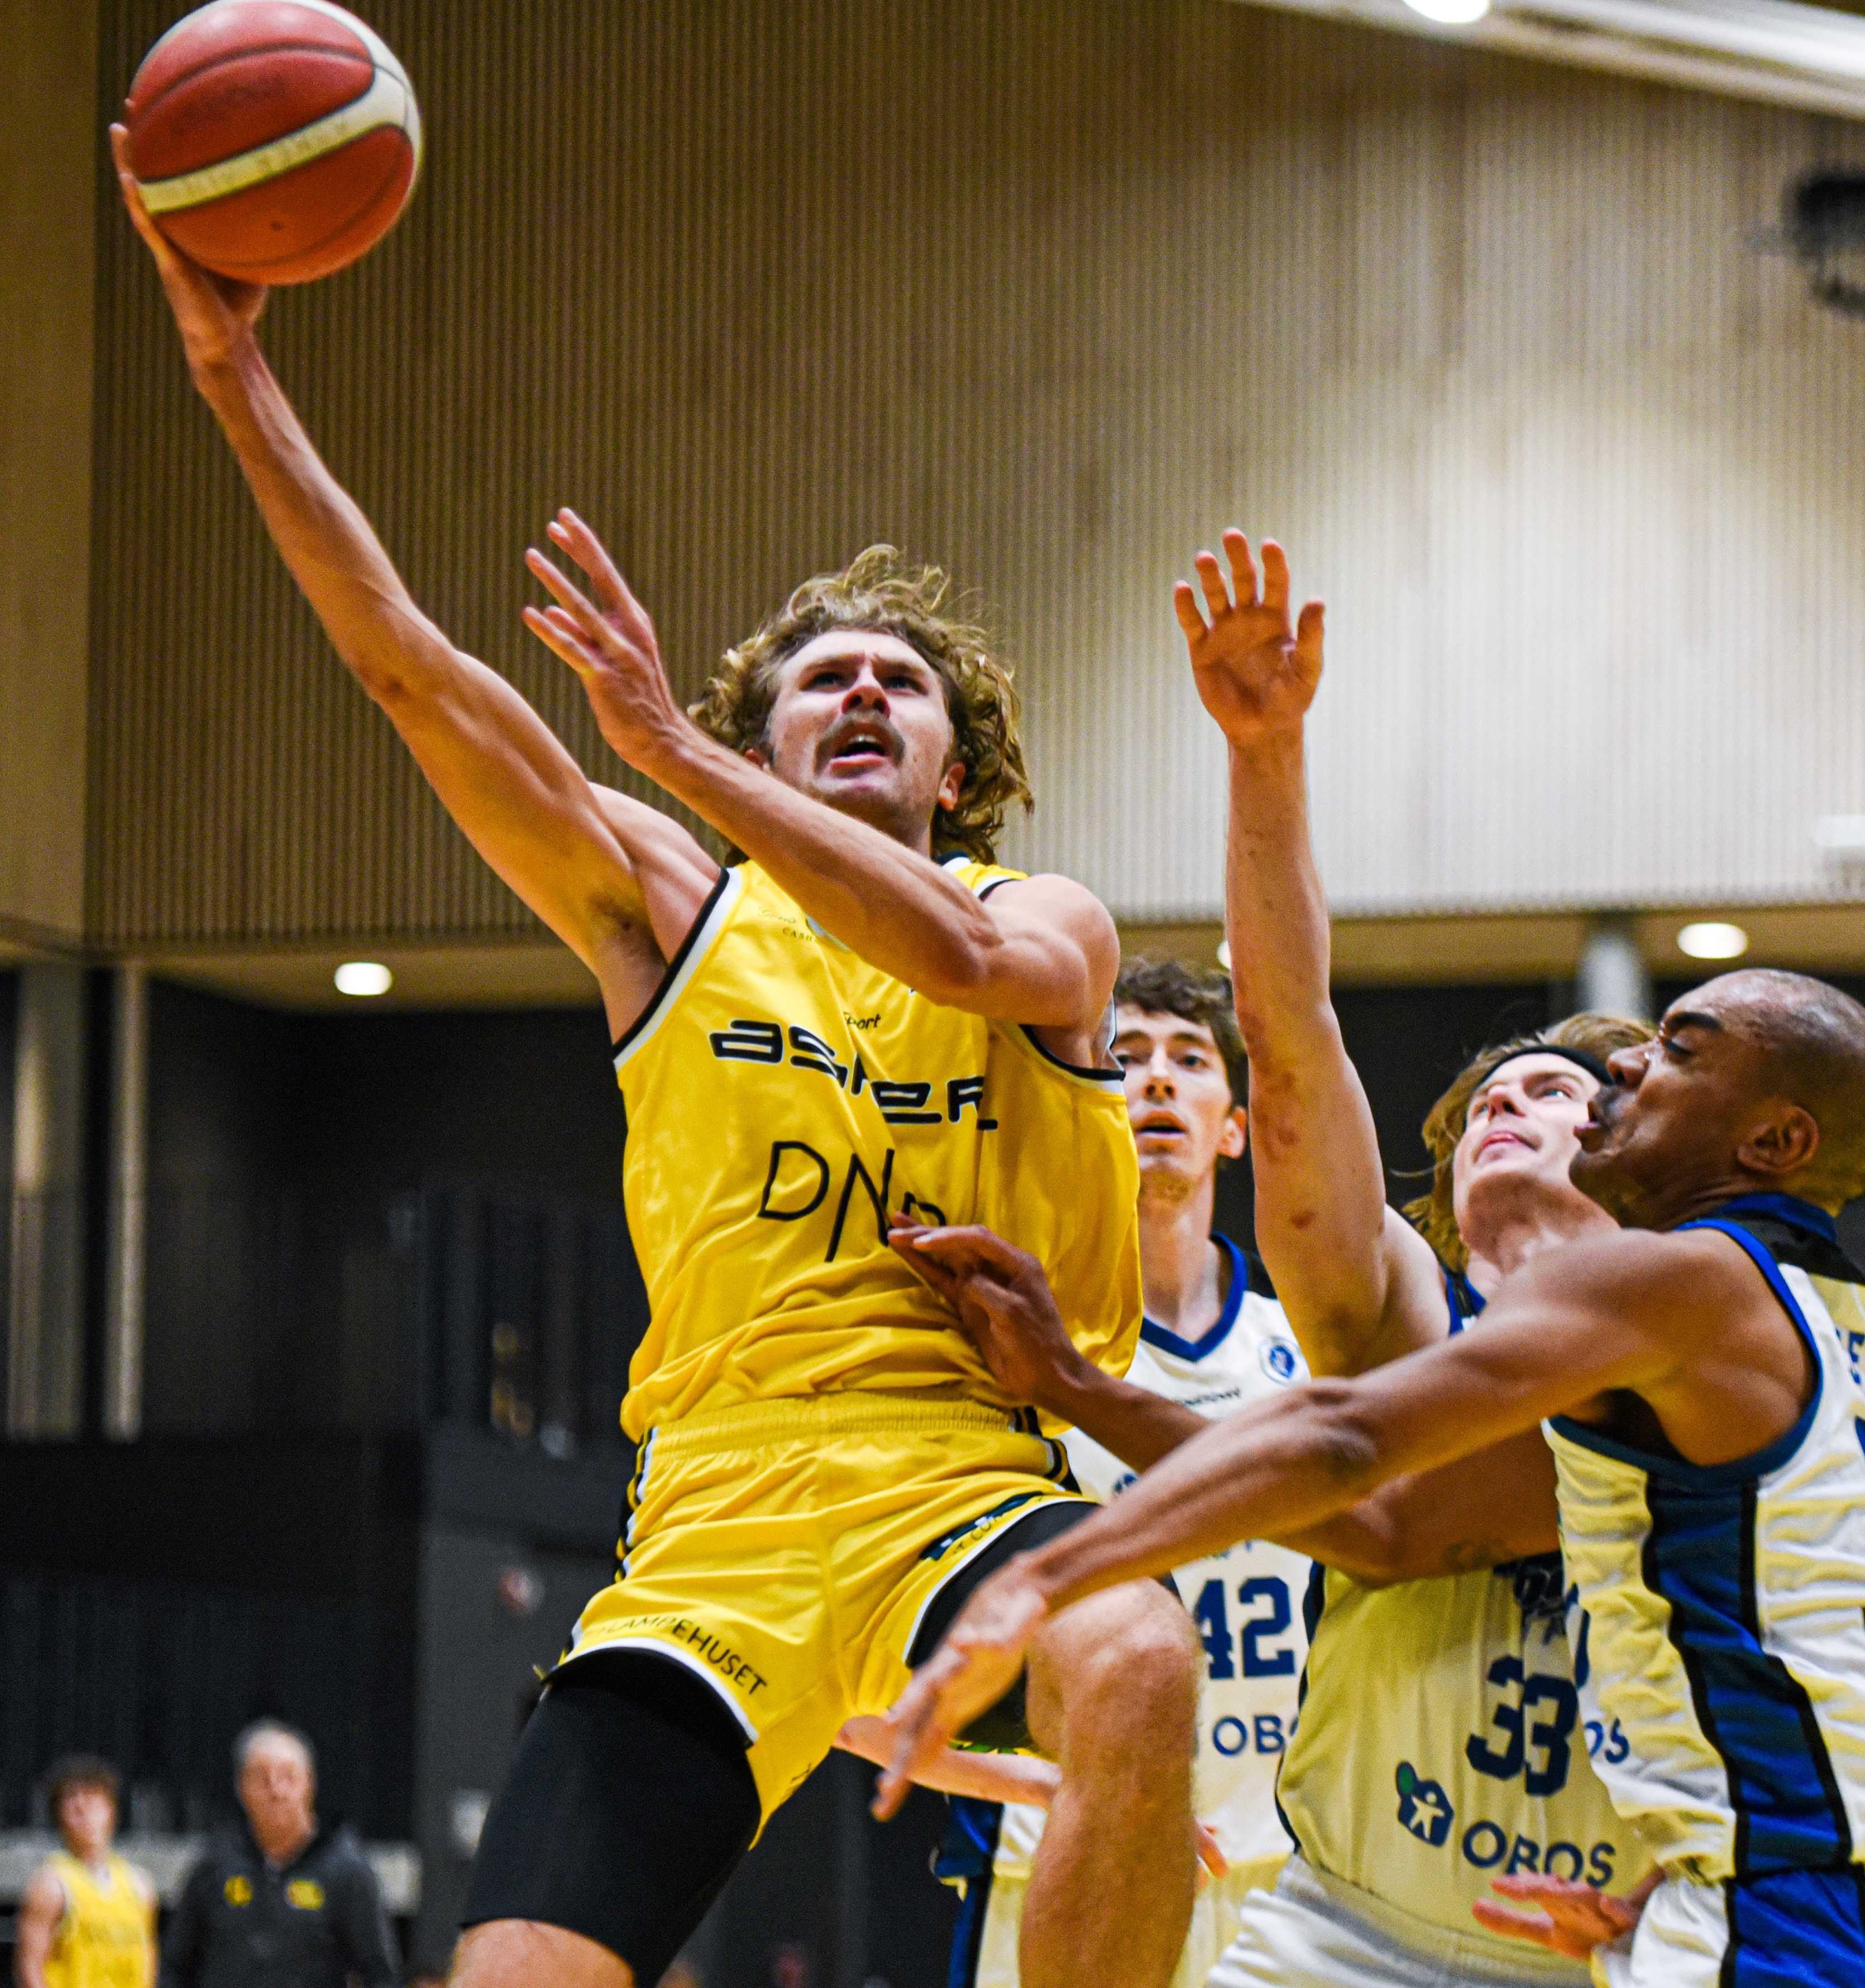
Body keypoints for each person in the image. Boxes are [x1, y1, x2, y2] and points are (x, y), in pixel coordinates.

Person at [112, 132, 1197, 1988]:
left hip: (963, 1474)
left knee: (1142, 1652)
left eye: (899, 683)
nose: (860, 691)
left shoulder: (1056, 922)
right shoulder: (670, 904)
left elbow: (948, 948)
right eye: (820, 679)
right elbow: (410, 668)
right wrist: (238, 383)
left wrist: (692, 760)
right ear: (765, 731)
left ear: (958, 764)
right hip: (718, 1512)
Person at [879, 541, 1865, 1988]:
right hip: (1366, 1917)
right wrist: (1265, 759)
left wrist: (1046, 1562)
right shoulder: (1445, 1315)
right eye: (1487, 1098)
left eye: (1572, 1084)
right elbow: (1292, 1069)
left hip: (1665, 1914)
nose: (1525, 1106)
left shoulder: (1672, 1302)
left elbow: (1362, 1480)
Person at [926, 957, 1314, 1988]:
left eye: (1189, 1060)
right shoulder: (1010, 1351)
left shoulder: (1310, 1351)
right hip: (1063, 1867)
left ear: (1234, 1122)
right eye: (1125, 1057)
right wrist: (1003, 1777)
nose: (1154, 1081)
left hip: (1298, 1877)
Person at [161, 1722, 398, 1988]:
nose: (276, 1791)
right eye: (262, 1778)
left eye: (288, 1776)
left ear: (309, 1783)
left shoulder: (346, 1870)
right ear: (241, 1788)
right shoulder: (215, 1865)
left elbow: (380, 1974)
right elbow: (175, 1966)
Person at [15, 1757, 156, 1988]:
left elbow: (148, 1964)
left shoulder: (138, 1885)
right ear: (59, 1816)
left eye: (92, 1802)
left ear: (111, 1808)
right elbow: (30, 1967)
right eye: (73, 1805)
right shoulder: (52, 1884)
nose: (84, 1813)